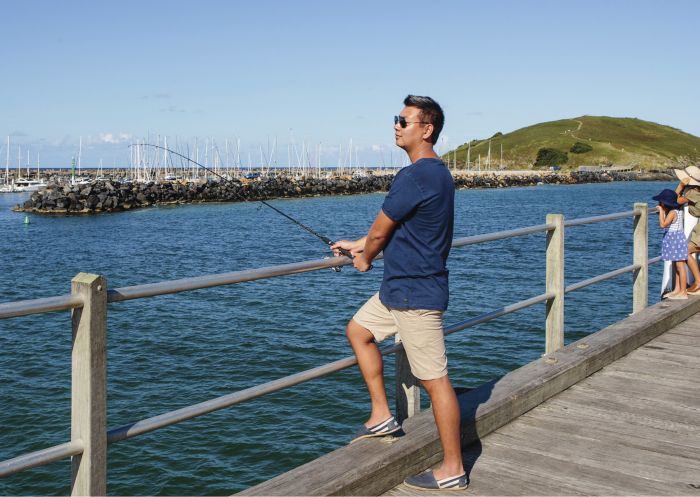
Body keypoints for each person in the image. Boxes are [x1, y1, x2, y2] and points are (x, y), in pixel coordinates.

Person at [332, 95, 467, 491]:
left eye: (404, 121)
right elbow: (395, 230)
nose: (396, 125)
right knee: (358, 331)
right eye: (396, 119)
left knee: (435, 381)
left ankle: (453, 468)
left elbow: (380, 233)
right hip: (399, 289)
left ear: (426, 129)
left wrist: (364, 257)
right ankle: (381, 414)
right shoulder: (438, 173)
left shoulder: (414, 176)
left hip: (415, 293)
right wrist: (360, 245)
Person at [653, 188, 688, 299]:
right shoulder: (676, 211)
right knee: (676, 265)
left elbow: (663, 225)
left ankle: (683, 292)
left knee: (680, 266)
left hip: (675, 241)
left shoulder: (672, 213)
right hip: (676, 240)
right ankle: (677, 289)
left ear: (664, 203)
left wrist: (662, 212)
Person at [675, 166, 700, 294]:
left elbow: (673, 201)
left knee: (684, 251)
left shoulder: (693, 193)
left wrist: (680, 186)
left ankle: (698, 283)